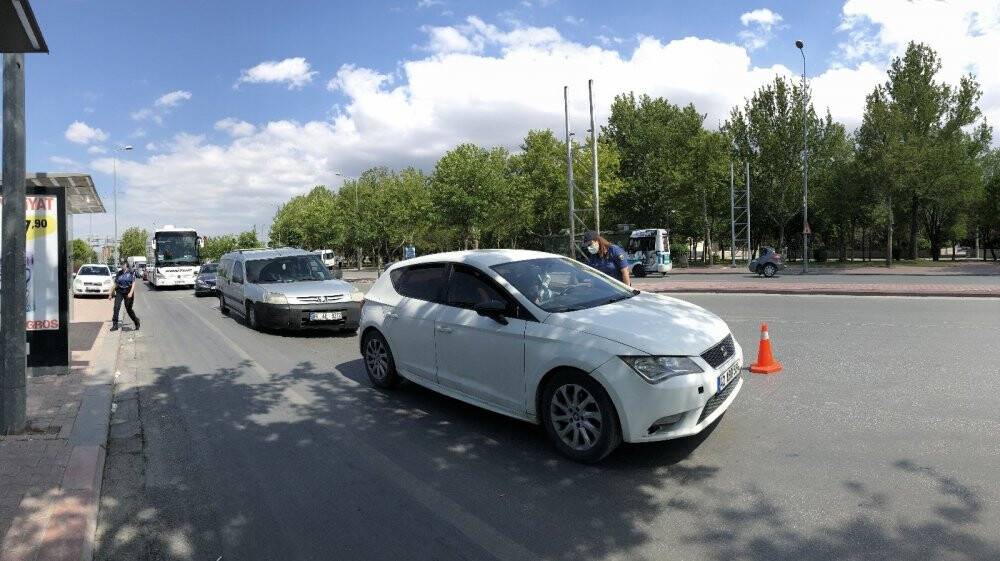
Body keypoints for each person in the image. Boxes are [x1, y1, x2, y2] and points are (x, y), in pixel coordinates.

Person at [109, 261, 140, 331]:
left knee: (128, 309)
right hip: (120, 291)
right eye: (120, 264)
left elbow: (133, 283)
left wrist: (131, 293)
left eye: (123, 264)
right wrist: (110, 293)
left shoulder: (131, 272)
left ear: (126, 265)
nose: (121, 265)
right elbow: (115, 284)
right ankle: (115, 325)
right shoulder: (119, 273)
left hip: (128, 291)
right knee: (116, 307)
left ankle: (136, 321)